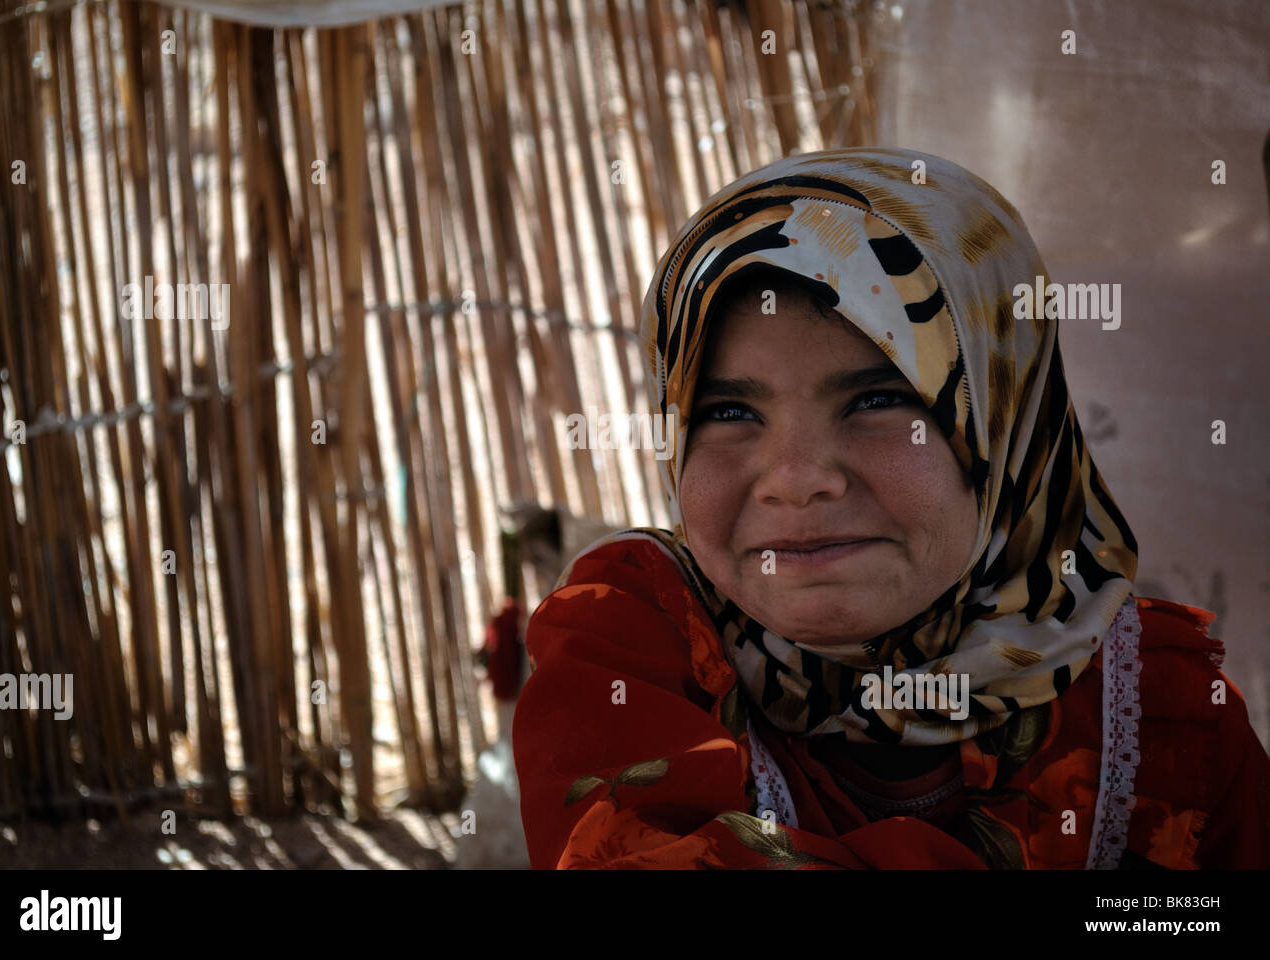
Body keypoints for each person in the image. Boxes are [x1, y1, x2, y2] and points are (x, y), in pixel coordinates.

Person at [512, 147, 1270, 869]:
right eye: (729, 412)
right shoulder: (632, 638)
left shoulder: (1162, 716)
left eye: (878, 400)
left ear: (1010, 430)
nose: (796, 480)